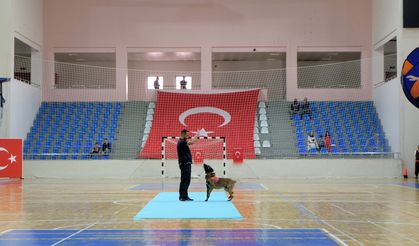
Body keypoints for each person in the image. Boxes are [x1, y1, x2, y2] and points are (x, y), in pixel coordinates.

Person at [177, 129, 198, 201]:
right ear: (183, 134)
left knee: (187, 180)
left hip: (187, 163)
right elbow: (192, 142)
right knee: (184, 180)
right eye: (187, 135)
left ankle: (185, 196)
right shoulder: (181, 142)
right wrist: (197, 135)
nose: (188, 136)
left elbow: (191, 142)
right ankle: (182, 196)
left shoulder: (183, 141)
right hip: (184, 163)